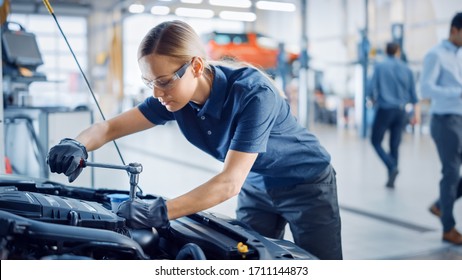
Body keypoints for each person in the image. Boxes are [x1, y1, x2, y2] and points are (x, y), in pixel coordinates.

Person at [46, 20, 342, 259]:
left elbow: (228, 183)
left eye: (162, 81)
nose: (156, 93)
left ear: (197, 67)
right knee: (246, 260)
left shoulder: (253, 94)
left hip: (306, 182)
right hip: (255, 184)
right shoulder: (174, 99)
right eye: (149, 83)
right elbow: (109, 128)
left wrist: (158, 211)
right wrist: (77, 143)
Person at [420, 12, 462, 245]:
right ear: (454, 30)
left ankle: (440, 205)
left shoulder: (459, 56)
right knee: (451, 174)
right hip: (445, 121)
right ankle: (449, 227)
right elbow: (425, 89)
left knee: (454, 175)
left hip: (460, 118)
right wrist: (457, 93)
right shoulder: (435, 55)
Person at [367, 42, 420, 188]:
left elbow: (371, 88)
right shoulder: (407, 69)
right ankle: (392, 177)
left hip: (385, 109)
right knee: (394, 145)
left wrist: (373, 99)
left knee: (375, 141)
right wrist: (416, 115)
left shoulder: (379, 66)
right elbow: (414, 96)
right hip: (401, 111)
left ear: (386, 51)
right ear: (398, 51)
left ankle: (391, 166)